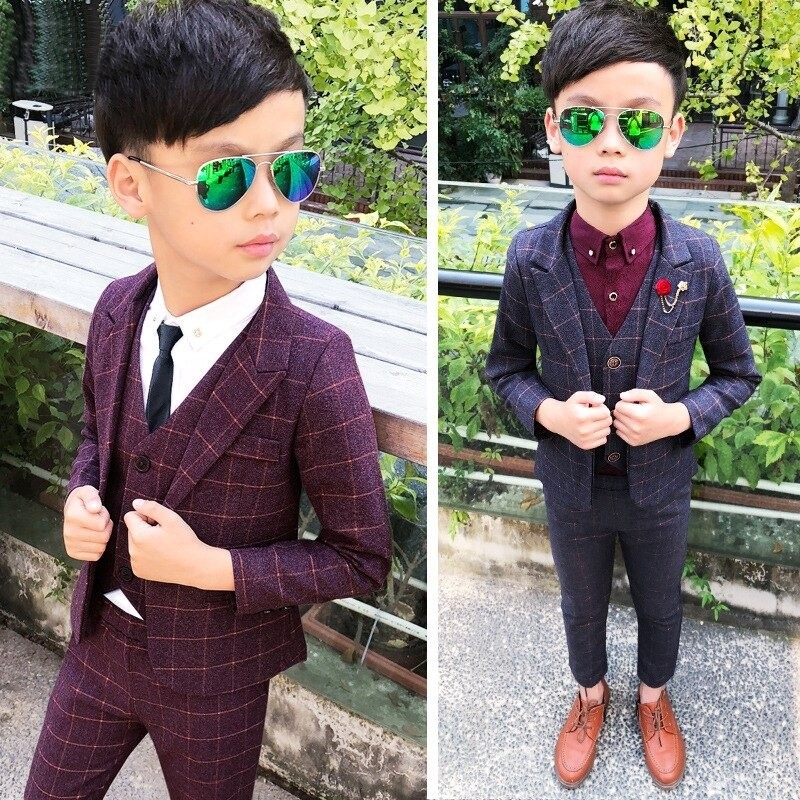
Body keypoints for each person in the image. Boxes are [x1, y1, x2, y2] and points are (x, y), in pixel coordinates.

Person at [24, 2, 391, 798]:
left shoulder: (311, 361)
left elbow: (362, 557)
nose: (269, 204)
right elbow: (97, 436)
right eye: (225, 175)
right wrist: (82, 496)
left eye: (292, 168)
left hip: (218, 680)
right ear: (131, 185)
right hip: (99, 644)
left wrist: (213, 569)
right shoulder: (117, 311)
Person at [486, 0, 761, 790]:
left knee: (660, 603)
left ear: (672, 133)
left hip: (661, 485)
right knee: (579, 604)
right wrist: (548, 412)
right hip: (570, 484)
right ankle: (589, 698)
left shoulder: (698, 260)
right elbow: (504, 368)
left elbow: (738, 374)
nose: (611, 143)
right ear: (553, 128)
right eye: (585, 121)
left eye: (638, 123)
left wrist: (679, 416)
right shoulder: (531, 257)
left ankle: (653, 699)